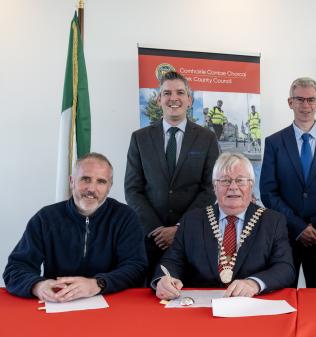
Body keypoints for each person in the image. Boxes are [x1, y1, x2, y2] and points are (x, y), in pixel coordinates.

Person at [3, 153, 146, 302]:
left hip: (111, 303)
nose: (91, 188)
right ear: (72, 181)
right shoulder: (45, 218)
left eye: (101, 182)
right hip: (59, 303)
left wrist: (97, 284)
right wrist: (38, 285)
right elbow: (15, 268)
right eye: (85, 179)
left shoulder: (125, 217)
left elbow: (136, 267)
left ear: (109, 187)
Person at [154, 152, 294, 298]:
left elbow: (285, 268)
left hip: (252, 304)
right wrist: (164, 280)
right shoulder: (192, 220)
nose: (233, 187)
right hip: (199, 308)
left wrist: (255, 283)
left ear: (251, 185)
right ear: (214, 186)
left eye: (240, 180)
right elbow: (171, 261)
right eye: (225, 181)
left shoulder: (273, 221)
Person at [125, 71, 219, 283]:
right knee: (151, 298)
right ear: (159, 99)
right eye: (166, 93)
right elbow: (133, 189)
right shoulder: (140, 138)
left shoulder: (207, 138)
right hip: (151, 240)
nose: (173, 98)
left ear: (189, 99)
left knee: (191, 299)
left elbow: (210, 188)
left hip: (192, 236)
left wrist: (180, 228)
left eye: (180, 92)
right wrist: (157, 230)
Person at [260, 77, 316, 287]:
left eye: (311, 100)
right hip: (285, 236)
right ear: (290, 102)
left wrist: (315, 225)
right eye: (299, 99)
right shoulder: (274, 142)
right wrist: (299, 226)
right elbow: (268, 192)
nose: (305, 105)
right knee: (282, 295)